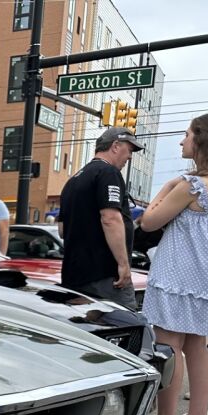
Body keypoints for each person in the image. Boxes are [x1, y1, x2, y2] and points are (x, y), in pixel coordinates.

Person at [139, 113, 208, 415]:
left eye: (186, 134)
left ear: (200, 139)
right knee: (197, 346)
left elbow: (148, 222)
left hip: (177, 278)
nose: (182, 141)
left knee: (168, 345)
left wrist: (168, 186)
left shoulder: (191, 186)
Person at [57, 127, 143, 309]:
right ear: (115, 146)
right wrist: (123, 263)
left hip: (75, 275)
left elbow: (62, 231)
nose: (130, 157)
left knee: (84, 331)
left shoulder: (72, 181)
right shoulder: (108, 173)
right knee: (122, 327)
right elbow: (110, 218)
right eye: (129, 150)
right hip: (105, 276)